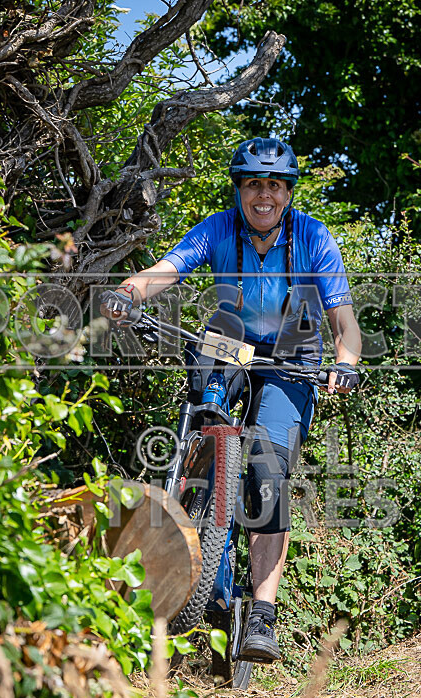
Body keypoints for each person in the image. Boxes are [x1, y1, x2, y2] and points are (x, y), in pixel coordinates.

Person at [101, 137, 362, 663]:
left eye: (273, 185)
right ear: (239, 189)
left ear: (287, 192)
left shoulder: (312, 237)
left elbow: (346, 325)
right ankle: (185, 510)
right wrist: (128, 293)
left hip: (294, 356)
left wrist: (346, 362)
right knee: (200, 413)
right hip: (231, 346)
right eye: (252, 184)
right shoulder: (220, 228)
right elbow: (168, 269)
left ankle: (262, 613)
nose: (262, 195)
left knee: (267, 468)